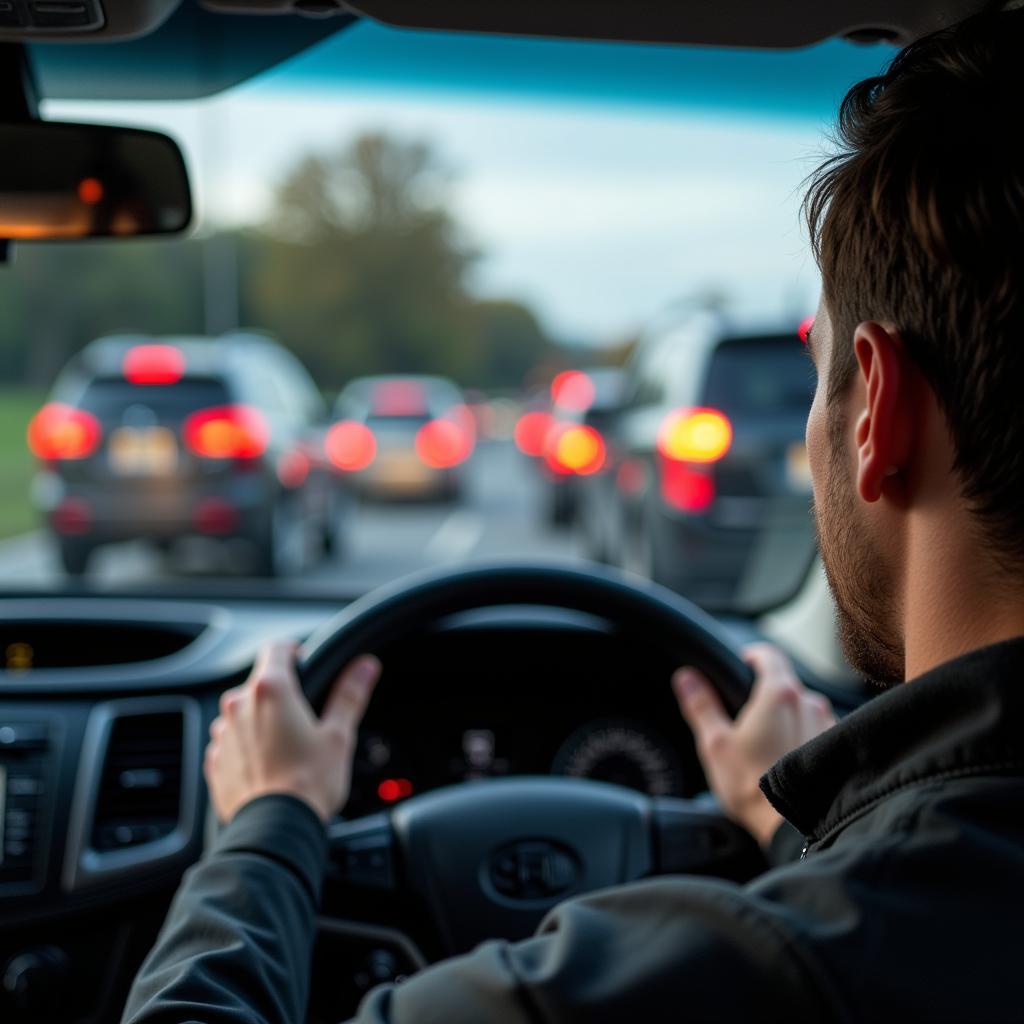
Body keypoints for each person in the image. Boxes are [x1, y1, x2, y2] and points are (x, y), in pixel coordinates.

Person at [122, 8, 1024, 1022]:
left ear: (878, 412)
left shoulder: (736, 978)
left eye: (817, 386)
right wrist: (795, 832)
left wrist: (269, 825)